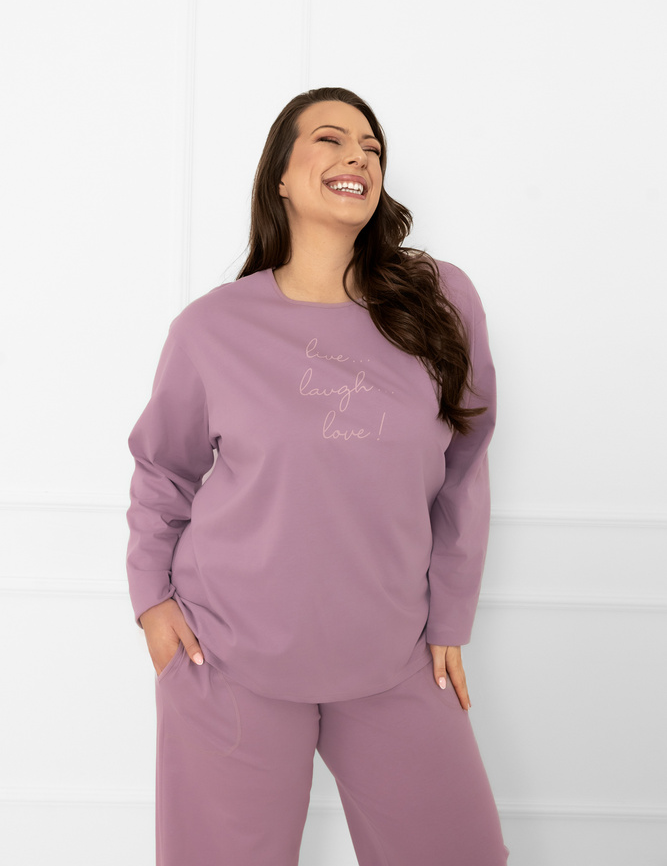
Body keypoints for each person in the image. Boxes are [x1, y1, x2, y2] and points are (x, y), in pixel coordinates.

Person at [126, 86, 510, 865]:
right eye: (330, 140)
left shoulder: (439, 300)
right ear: (280, 175)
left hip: (394, 652)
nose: (357, 157)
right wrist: (151, 604)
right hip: (228, 656)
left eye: (371, 147)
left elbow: (465, 464)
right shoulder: (212, 328)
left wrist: (449, 620)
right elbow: (163, 468)